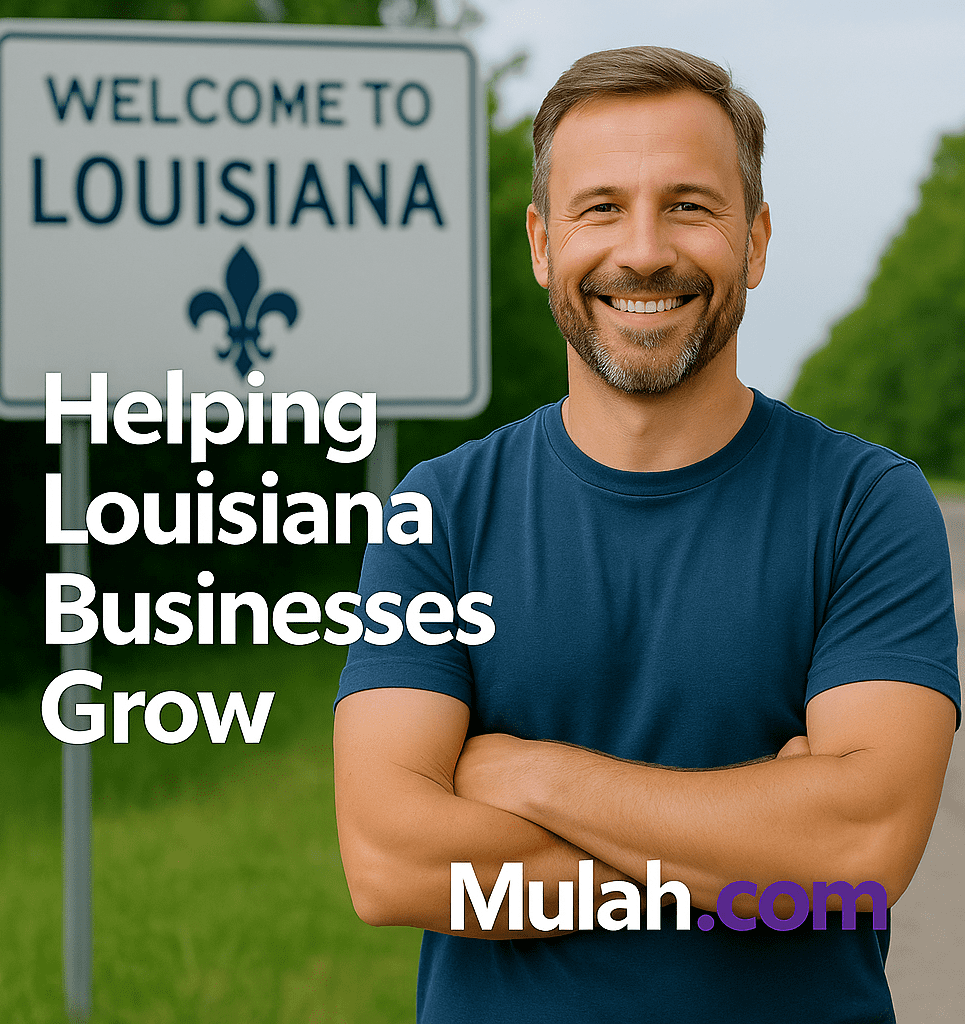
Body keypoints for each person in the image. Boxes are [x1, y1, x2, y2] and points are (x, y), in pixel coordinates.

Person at [332, 46, 960, 1023]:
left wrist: (528, 772)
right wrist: (747, 848)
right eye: (600, 208)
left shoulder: (866, 504)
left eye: (688, 205)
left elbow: (856, 850)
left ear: (753, 240)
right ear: (542, 242)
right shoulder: (438, 511)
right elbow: (390, 862)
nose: (641, 251)